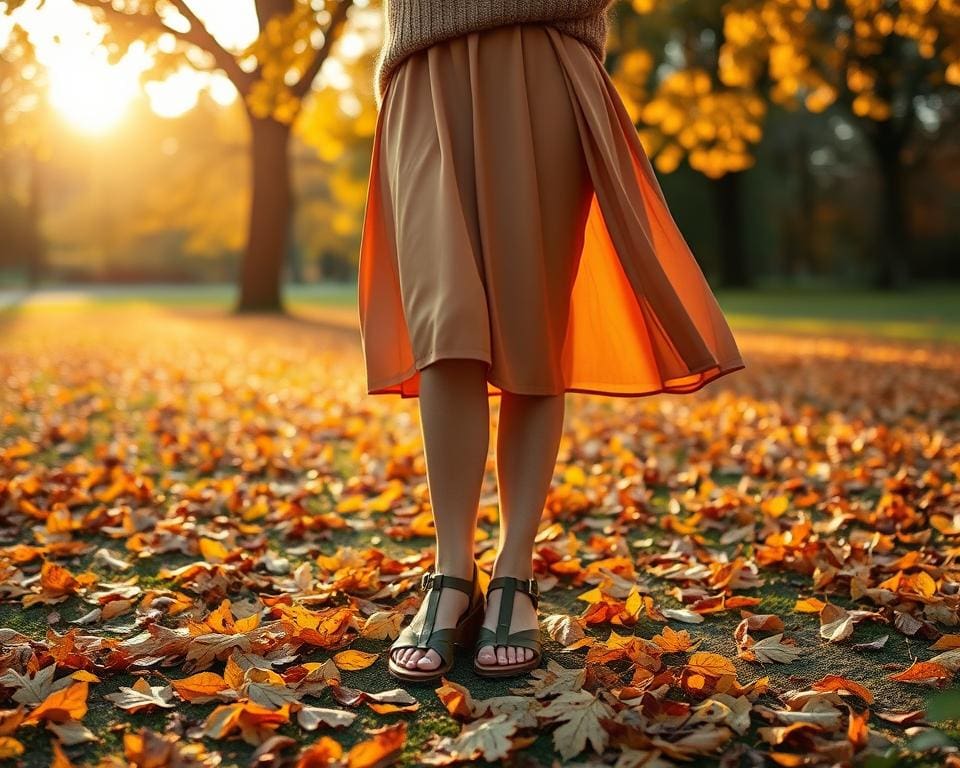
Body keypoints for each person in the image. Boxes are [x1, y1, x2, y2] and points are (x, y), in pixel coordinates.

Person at [356, 0, 746, 682]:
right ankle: (452, 567)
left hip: (543, 58)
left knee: (533, 329)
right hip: (423, 69)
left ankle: (514, 566)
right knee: (444, 324)